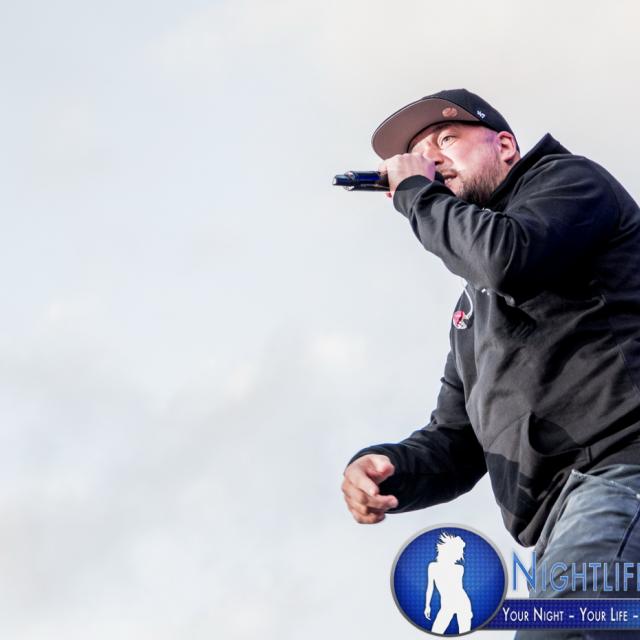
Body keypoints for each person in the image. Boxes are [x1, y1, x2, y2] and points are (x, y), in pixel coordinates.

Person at [340, 89, 640, 639]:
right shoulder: (472, 312)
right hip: (558, 521)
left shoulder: (569, 182)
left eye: (447, 139)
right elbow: (456, 442)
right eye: (418, 155)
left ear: (504, 146)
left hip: (622, 474)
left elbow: (506, 257)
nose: (431, 160)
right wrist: (387, 466)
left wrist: (415, 192)